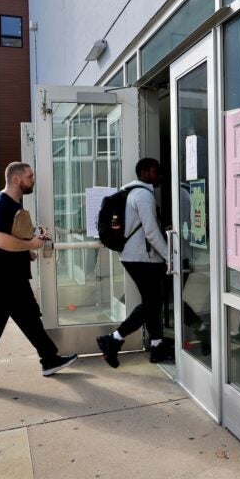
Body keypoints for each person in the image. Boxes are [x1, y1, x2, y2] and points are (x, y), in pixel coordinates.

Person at [0, 162, 77, 392]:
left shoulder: (11, 204)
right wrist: (31, 244)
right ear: (16, 179)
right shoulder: (1, 204)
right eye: (29, 176)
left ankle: (49, 359)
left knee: (30, 318)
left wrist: (28, 251)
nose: (32, 179)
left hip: (11, 279)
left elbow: (9, 239)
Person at [97, 157, 172, 367]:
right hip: (144, 258)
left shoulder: (132, 193)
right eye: (156, 171)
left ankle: (157, 345)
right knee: (151, 304)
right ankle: (113, 339)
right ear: (145, 173)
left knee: (153, 302)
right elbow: (151, 232)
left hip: (134, 257)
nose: (160, 175)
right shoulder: (144, 196)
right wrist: (169, 257)